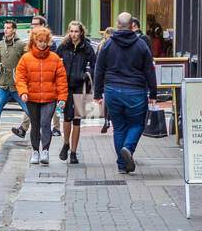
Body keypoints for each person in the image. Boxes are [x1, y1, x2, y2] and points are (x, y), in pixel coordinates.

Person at [94, 12, 157, 174]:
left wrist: (97, 93)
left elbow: (99, 69)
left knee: (119, 127)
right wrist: (153, 93)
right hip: (135, 90)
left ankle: (122, 165)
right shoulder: (141, 45)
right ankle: (128, 148)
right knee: (137, 124)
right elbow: (149, 71)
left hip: (112, 90)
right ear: (132, 26)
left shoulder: (108, 45)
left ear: (117, 25)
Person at [15, 25, 67, 165]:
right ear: (34, 41)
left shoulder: (55, 59)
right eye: (40, 41)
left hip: (50, 98)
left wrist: (62, 99)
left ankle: (45, 151)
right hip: (31, 97)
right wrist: (23, 92)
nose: (43, 44)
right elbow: (20, 78)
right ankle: (35, 151)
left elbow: (61, 80)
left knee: (45, 124)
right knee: (35, 124)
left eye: (45, 41)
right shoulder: (26, 58)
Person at [56, 20, 96, 165]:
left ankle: (73, 152)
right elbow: (56, 62)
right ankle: (65, 144)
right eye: (71, 31)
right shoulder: (63, 46)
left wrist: (86, 74)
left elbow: (94, 65)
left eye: (76, 31)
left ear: (81, 32)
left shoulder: (87, 48)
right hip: (65, 86)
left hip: (80, 86)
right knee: (66, 118)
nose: (73, 34)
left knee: (77, 119)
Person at [0, 18, 26, 144]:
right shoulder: (0, 44)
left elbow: (26, 62)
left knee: (29, 109)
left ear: (14, 30)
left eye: (8, 28)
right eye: (5, 28)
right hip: (2, 84)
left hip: (17, 85)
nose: (5, 30)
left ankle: (38, 133)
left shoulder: (20, 45)